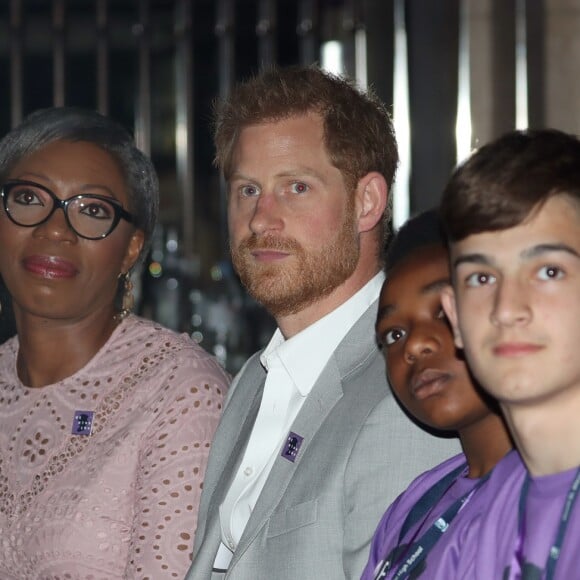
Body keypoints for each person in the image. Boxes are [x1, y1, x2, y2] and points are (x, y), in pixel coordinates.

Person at [185, 65, 458, 580]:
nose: (262, 218)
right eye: (247, 190)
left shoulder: (407, 390)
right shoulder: (252, 381)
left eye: (296, 188)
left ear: (367, 201)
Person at [0, 107, 229, 579]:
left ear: (130, 249)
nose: (54, 229)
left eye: (92, 210)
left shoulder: (180, 392)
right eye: (28, 198)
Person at [440, 128, 580, 578]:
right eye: (481, 278)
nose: (506, 309)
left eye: (548, 270)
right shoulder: (466, 525)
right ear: (455, 317)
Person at [361, 209, 513, 580]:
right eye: (393, 335)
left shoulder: (554, 492)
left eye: (442, 312)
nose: (414, 345)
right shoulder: (415, 504)